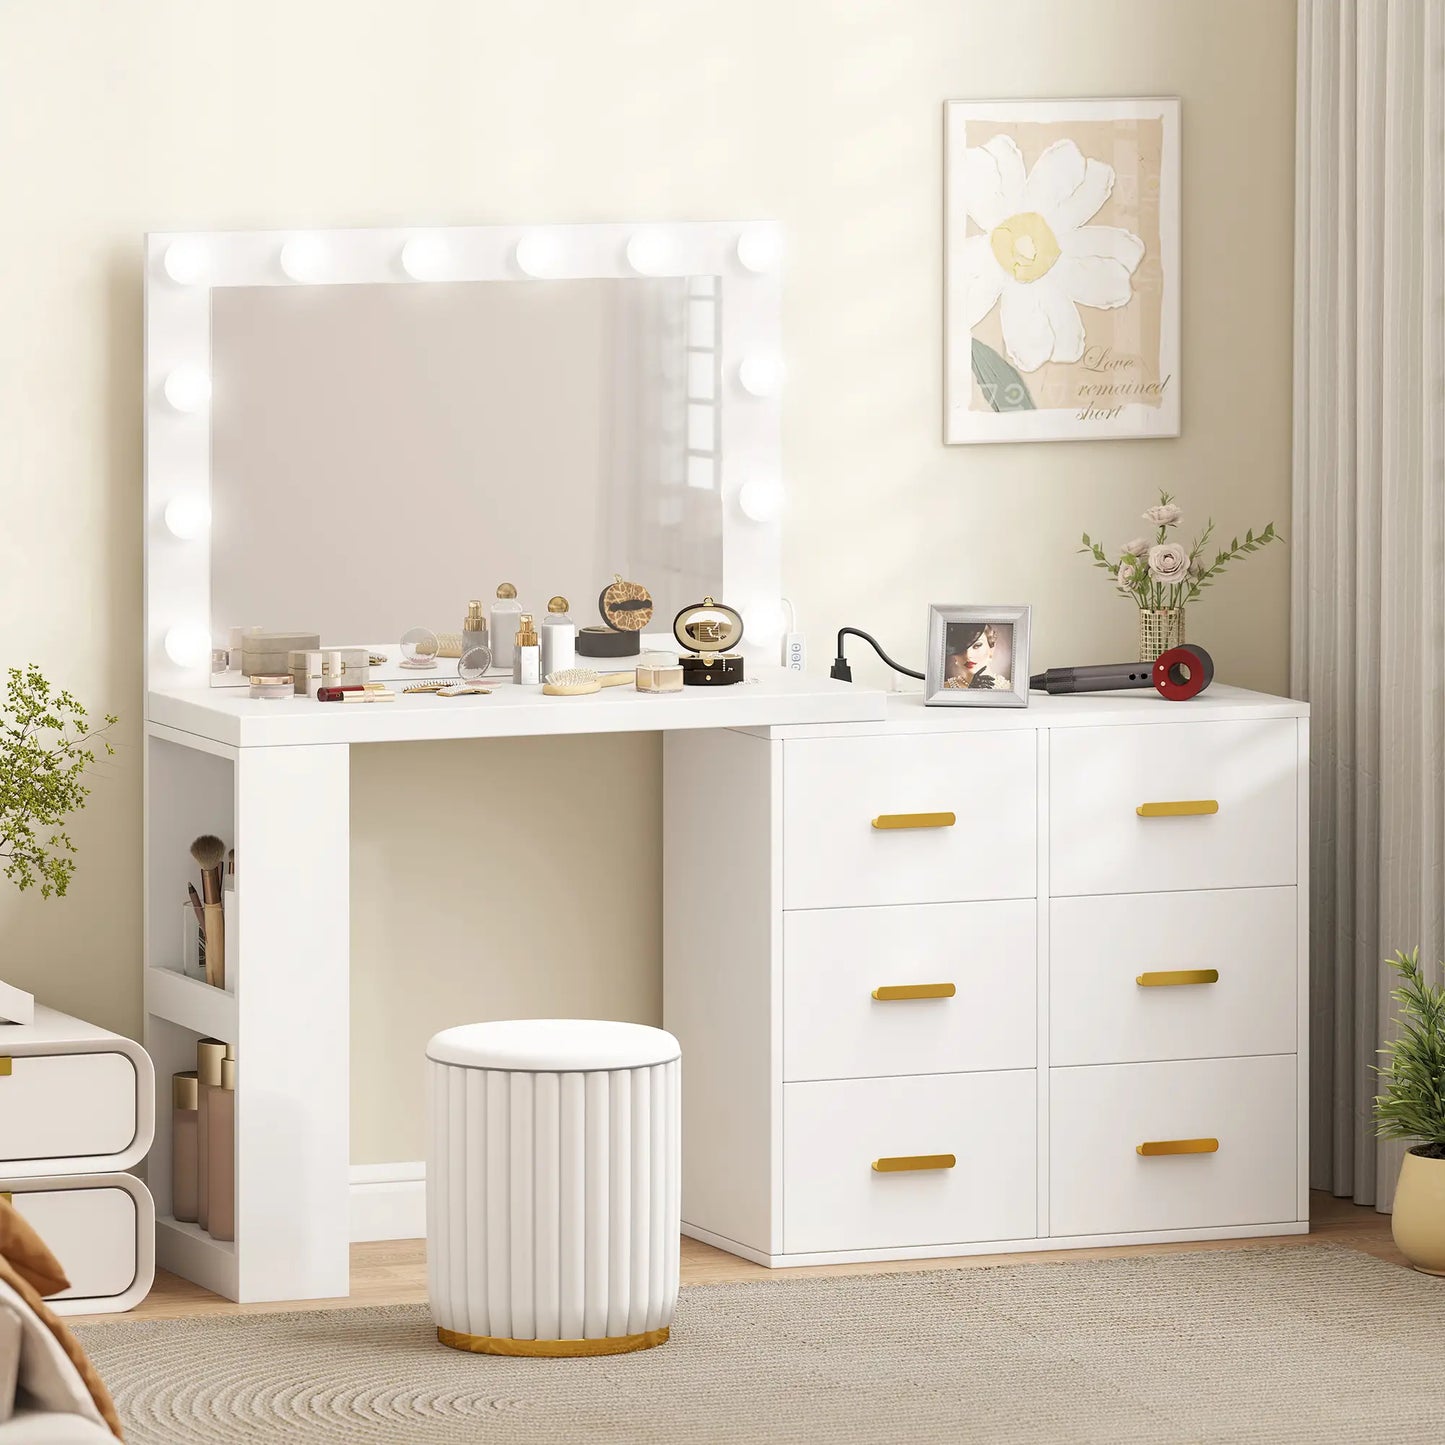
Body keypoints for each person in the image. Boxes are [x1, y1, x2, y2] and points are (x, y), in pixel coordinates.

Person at [943, 623, 1010, 690]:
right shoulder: (944, 688)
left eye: (977, 645)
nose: (968, 655)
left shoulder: (1009, 688)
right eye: (961, 648)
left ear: (991, 648)